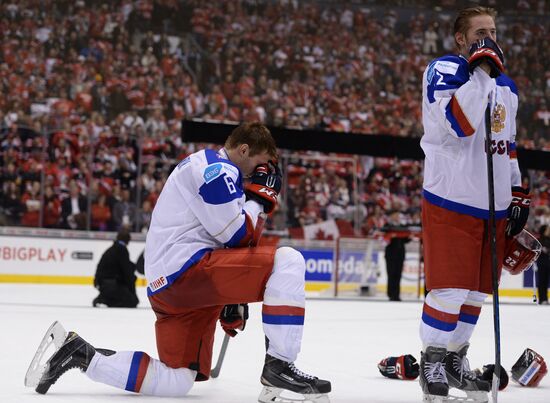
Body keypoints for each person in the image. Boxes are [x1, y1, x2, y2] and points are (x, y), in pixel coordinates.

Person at [29, 122, 331, 402]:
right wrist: (261, 199)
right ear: (243, 150)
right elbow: (238, 235)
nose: (259, 173)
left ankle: (82, 354)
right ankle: (280, 366)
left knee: (176, 379)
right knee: (288, 260)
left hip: (172, 287)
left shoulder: (210, 166)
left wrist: (231, 295)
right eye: (259, 163)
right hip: (186, 272)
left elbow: (234, 240)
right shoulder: (217, 170)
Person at [419, 7, 531, 401]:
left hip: (495, 205)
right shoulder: (445, 70)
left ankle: (455, 359)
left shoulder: (508, 87)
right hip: (451, 198)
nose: (489, 38)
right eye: (480, 32)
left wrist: (518, 192)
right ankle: (431, 360)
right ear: (461, 40)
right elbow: (458, 124)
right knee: (449, 290)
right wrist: (481, 71)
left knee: (475, 293)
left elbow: (507, 146)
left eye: (493, 32)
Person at [92, 228, 139, 308]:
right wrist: (132, 290)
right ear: (127, 240)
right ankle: (104, 298)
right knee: (132, 301)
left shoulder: (114, 249)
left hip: (104, 283)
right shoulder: (121, 250)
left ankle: (106, 296)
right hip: (109, 284)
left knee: (131, 300)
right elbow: (126, 271)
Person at [382, 211, 411, 302]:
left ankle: (396, 294)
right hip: (390, 253)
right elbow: (383, 238)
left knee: (398, 274)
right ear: (391, 216)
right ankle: (391, 294)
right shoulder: (387, 226)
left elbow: (407, 239)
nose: (397, 217)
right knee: (391, 273)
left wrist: (407, 237)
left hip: (400, 253)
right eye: (395, 215)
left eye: (398, 215)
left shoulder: (403, 227)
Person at [536, 225, 550, 304]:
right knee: (542, 281)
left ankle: (546, 298)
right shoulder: (539, 240)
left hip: (548, 263)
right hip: (542, 264)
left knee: (546, 282)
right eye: (548, 229)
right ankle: (542, 299)